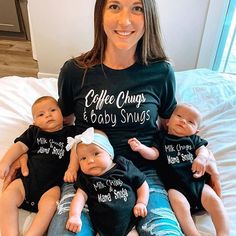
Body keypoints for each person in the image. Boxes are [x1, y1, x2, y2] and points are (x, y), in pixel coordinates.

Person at [3, 0, 221, 235]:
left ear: (148, 16)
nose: (125, 20)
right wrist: (28, 150)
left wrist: (205, 154)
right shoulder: (75, 71)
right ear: (100, 13)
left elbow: (172, 127)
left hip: (144, 175)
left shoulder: (161, 72)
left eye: (137, 8)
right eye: (114, 6)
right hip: (85, 174)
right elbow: (60, 123)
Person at [128, 103, 229, 236]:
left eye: (190, 122)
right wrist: (141, 148)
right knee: (179, 205)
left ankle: (223, 232)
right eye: (179, 116)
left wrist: (201, 159)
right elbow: (153, 154)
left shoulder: (193, 139)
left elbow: (203, 150)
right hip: (176, 188)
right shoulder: (161, 138)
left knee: (215, 201)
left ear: (196, 131)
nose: (182, 121)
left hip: (197, 183)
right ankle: (193, 234)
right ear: (168, 122)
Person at [0, 96, 75, 235]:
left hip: (51, 186)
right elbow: (19, 147)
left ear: (62, 114)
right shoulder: (34, 132)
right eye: (41, 114)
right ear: (34, 121)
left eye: (53, 110)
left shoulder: (71, 133)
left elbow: (79, 149)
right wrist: (5, 162)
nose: (48, 115)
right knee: (7, 197)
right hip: (26, 181)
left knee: (51, 205)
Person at [65, 127, 149, 235]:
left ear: (109, 154)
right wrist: (74, 216)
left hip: (129, 228)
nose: (90, 161)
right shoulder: (86, 178)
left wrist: (141, 203)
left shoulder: (123, 165)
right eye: (83, 158)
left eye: (96, 154)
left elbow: (141, 184)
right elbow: (79, 198)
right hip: (102, 231)